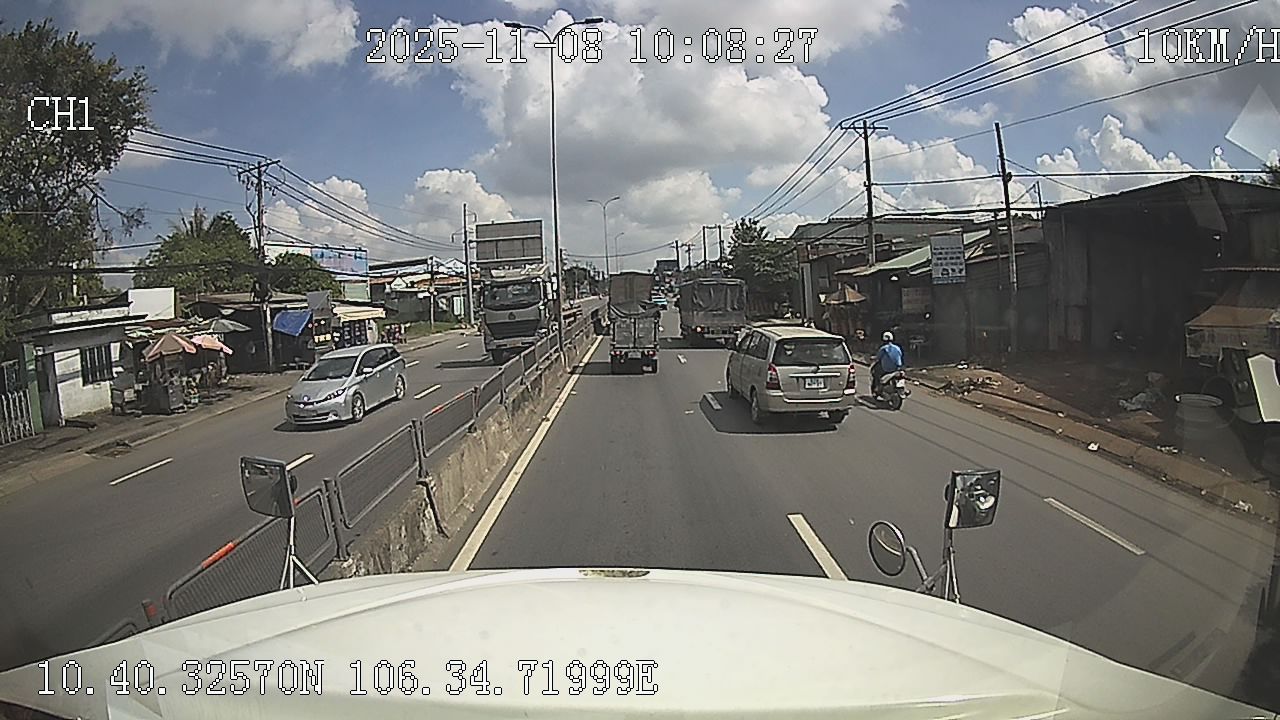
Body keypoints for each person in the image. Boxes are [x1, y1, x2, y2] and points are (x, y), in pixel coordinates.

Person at [872, 331, 904, 396]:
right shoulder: (897, 348)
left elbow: (878, 357)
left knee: (875, 373)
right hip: (897, 368)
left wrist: (873, 358)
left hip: (886, 369)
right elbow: (900, 355)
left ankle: (878, 389)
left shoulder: (883, 349)